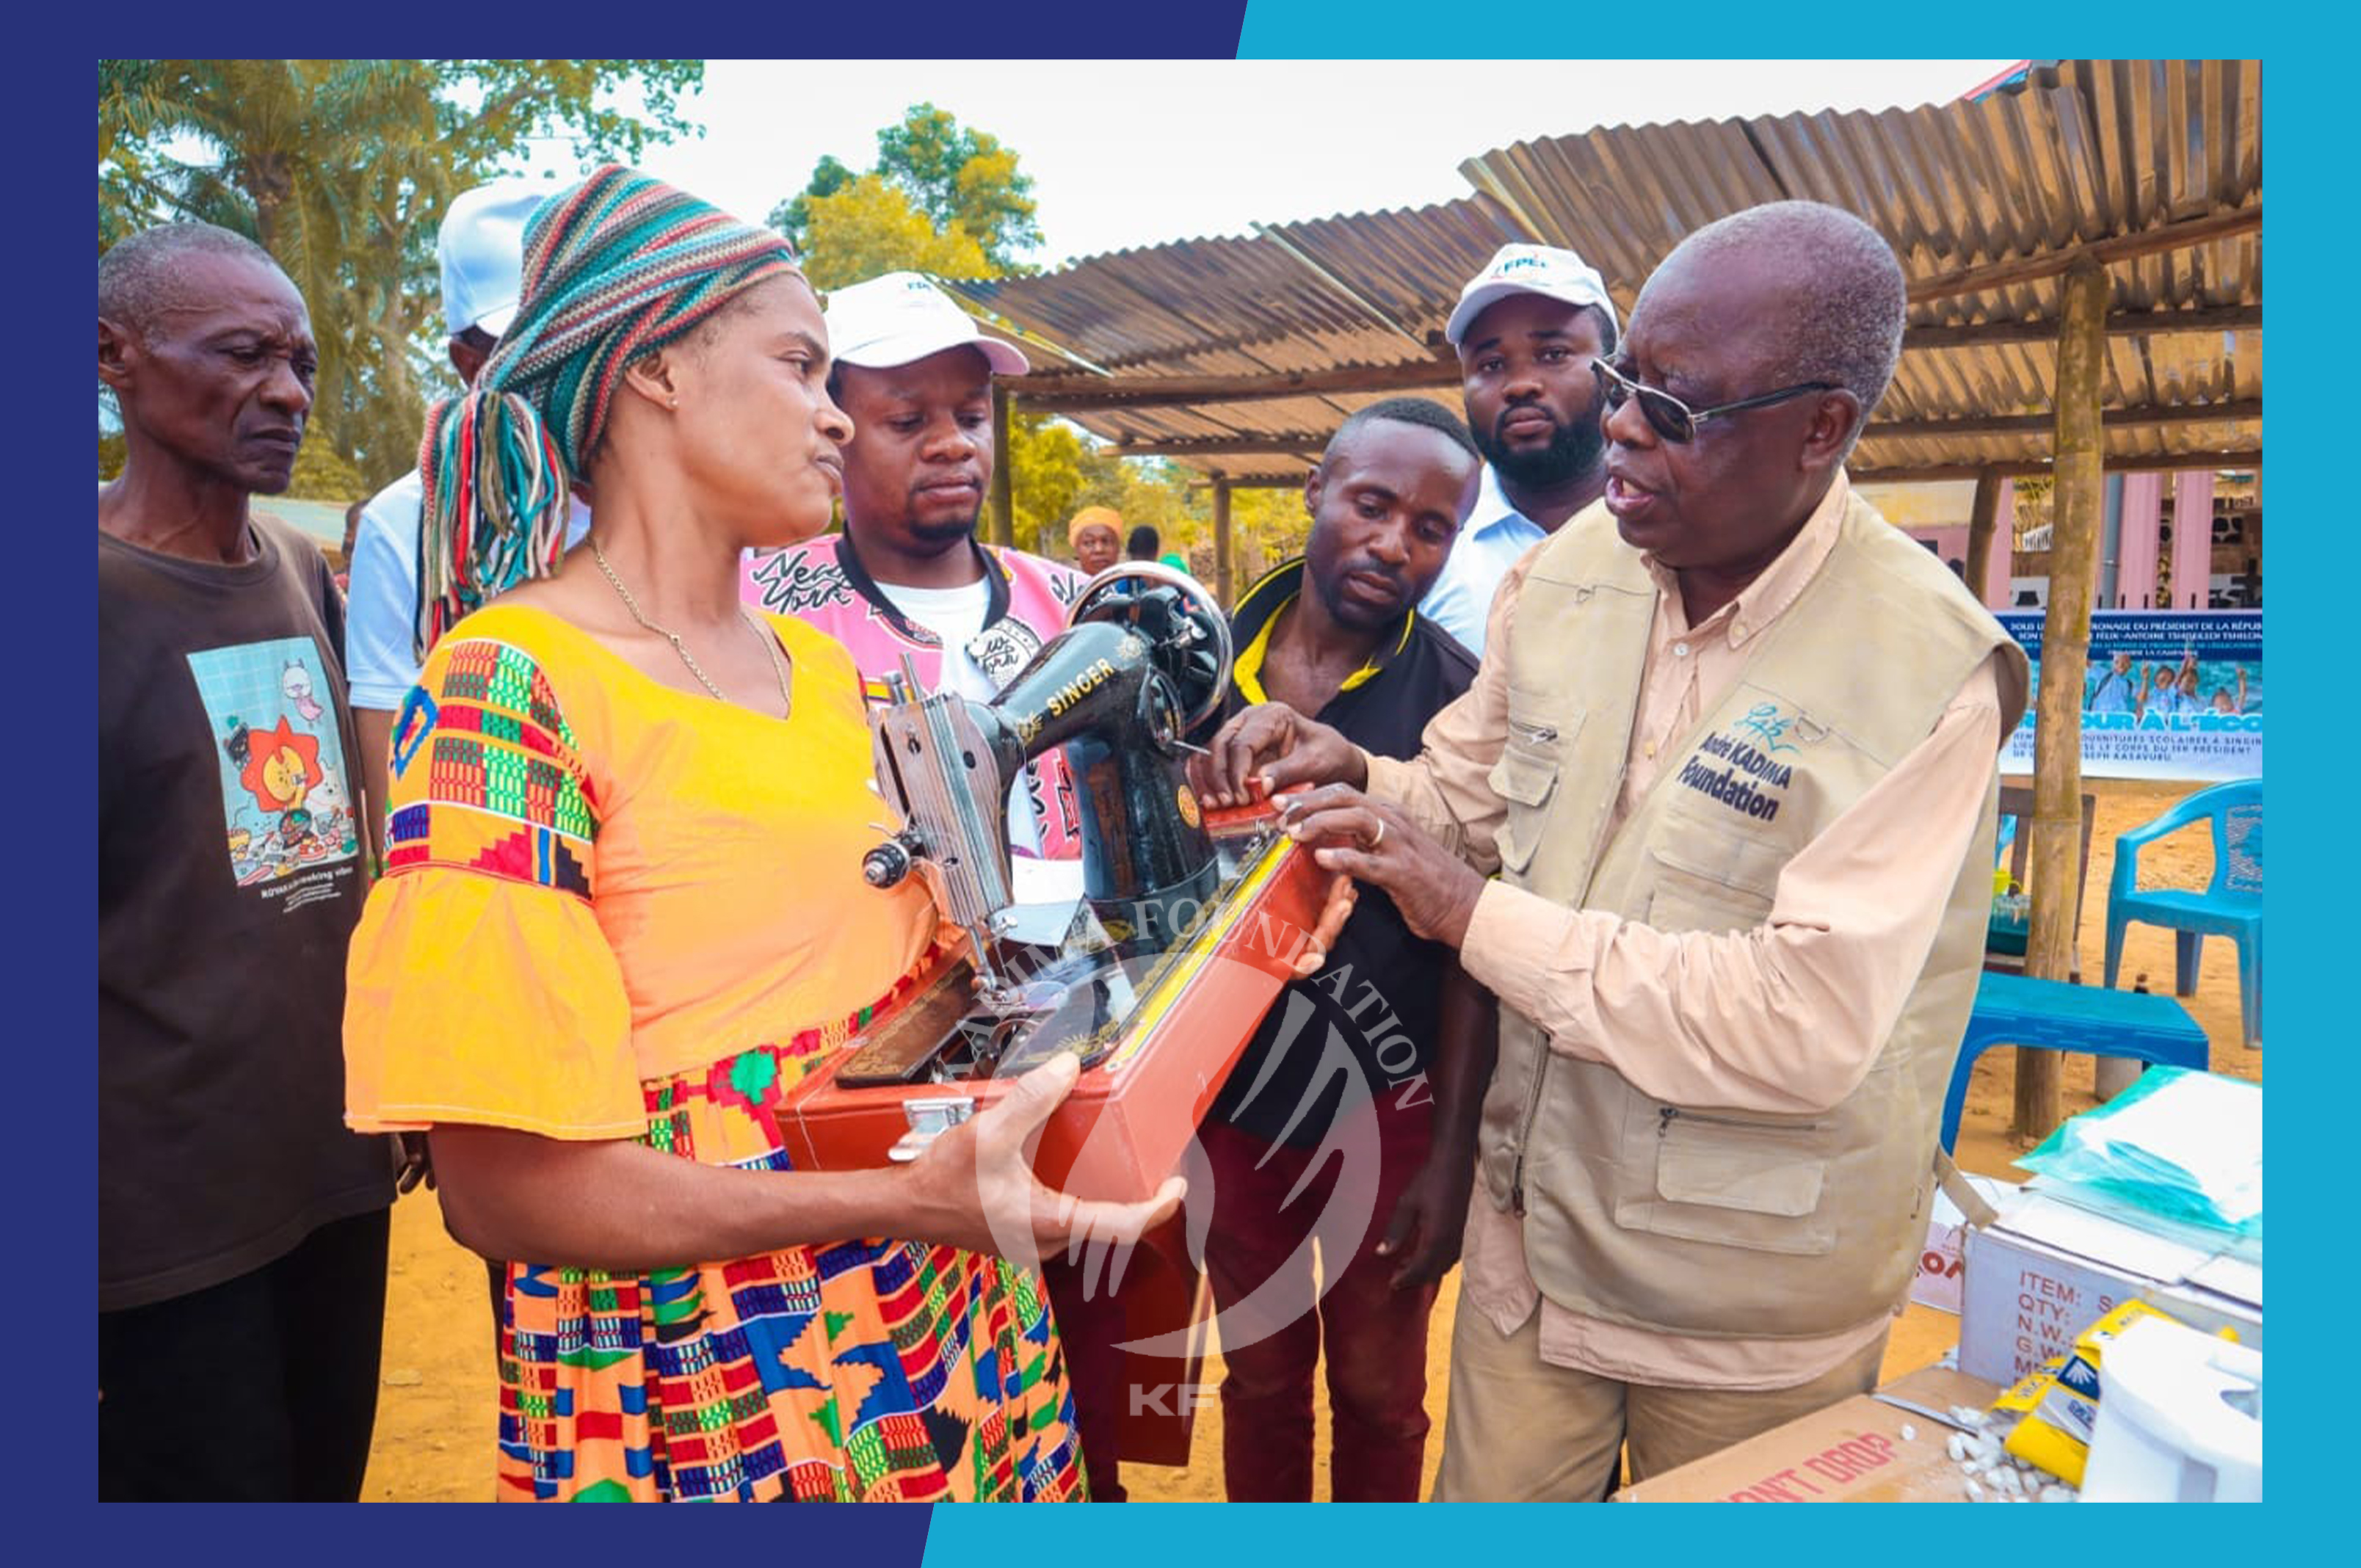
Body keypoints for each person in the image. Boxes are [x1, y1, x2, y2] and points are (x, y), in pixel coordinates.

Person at [342, 167, 1197, 1503]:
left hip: (948, 1328)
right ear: (657, 369)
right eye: (803, 369)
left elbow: (935, 997)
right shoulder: (504, 690)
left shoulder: (822, 668)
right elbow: (501, 1194)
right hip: (718, 1377)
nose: (830, 419)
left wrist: (1213, 955)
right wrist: (891, 1203)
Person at [1194, 200, 2030, 1502]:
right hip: (1538, 1249)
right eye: (1629, 381)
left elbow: (1803, 1019)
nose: (1624, 429)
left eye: (1679, 412)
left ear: (1823, 429)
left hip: (1747, 1300)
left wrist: (1473, 915)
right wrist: (1357, 768)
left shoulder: (1927, 670)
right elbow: (1466, 794)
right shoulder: (1576, 571)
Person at [100, 221, 401, 1500]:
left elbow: (324, 848)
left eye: (300, 362)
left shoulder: (291, 568)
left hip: (332, 1172)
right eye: (239, 354)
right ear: (113, 355)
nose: (283, 391)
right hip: (156, 1216)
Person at [1192, 398, 1497, 1502]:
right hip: (1228, 1104)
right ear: (1317, 488)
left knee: (1379, 1393)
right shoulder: (1195, 663)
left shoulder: (1461, 701)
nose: (1393, 544)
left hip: (1394, 1109)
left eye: (1431, 527)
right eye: (1373, 504)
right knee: (1261, 1380)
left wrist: (1450, 1153)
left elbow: (1478, 942)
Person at [741, 270, 1085, 904]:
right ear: (832, 429)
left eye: (972, 416)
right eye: (906, 421)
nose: (953, 443)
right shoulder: (755, 609)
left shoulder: (1076, 604)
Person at [346, 179, 592, 860]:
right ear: (468, 363)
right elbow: (389, 772)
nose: (560, 363)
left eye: (578, 333)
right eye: (529, 343)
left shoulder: (673, 501)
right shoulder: (407, 523)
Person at [1418, 244, 1617, 656]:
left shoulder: (1685, 531)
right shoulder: (1428, 549)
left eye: (1553, 354)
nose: (1521, 384)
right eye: (1491, 364)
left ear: (1614, 368)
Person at [1068, 505, 1124, 577]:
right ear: (1076, 550)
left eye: (1106, 541)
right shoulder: (1065, 587)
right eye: (1089, 543)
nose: (1099, 549)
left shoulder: (1135, 585)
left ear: (1118, 548)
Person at [2086, 650, 2140, 714]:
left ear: (2130, 666)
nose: (2121, 665)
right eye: (2117, 662)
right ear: (2113, 664)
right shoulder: (2104, 674)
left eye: (2125, 662)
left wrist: (2145, 679)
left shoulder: (2130, 684)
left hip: (2119, 719)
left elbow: (2139, 700)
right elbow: (2088, 663)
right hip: (2100, 717)